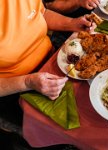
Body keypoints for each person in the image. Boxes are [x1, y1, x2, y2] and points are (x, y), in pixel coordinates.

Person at [0, 0, 92, 149]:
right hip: (18, 87)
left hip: (53, 61)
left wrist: (72, 23)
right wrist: (27, 82)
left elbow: (41, 13)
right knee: (84, 128)